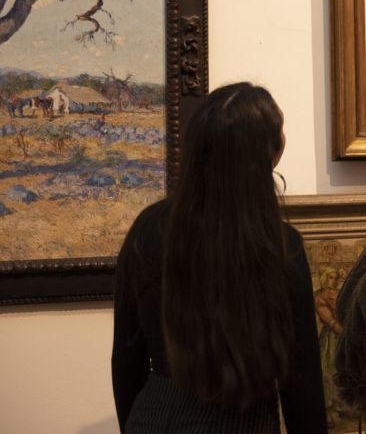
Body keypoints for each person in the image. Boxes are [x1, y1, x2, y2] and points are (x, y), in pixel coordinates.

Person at [111, 82, 327, 433]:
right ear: (268, 154)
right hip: (243, 421)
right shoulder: (278, 245)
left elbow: (126, 359)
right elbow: (300, 378)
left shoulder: (148, 229)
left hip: (155, 416)